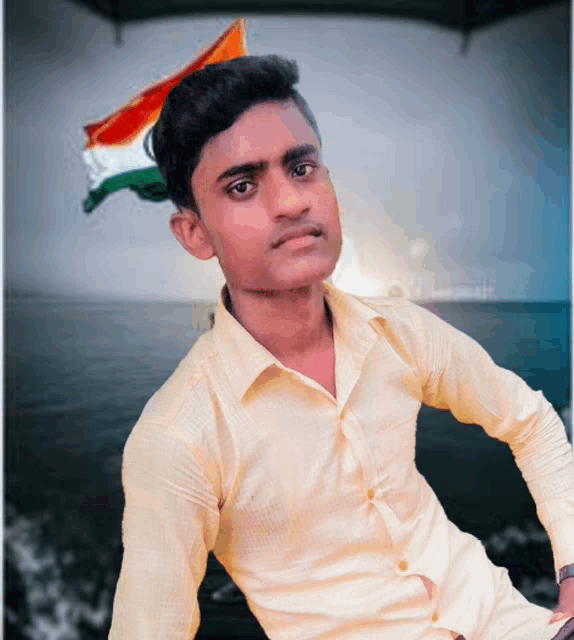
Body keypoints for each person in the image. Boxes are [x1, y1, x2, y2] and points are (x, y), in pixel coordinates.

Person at [108, 55, 574, 640]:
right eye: (243, 185)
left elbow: (530, 420)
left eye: (301, 168)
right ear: (195, 233)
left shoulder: (399, 332)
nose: (291, 202)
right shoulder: (179, 436)